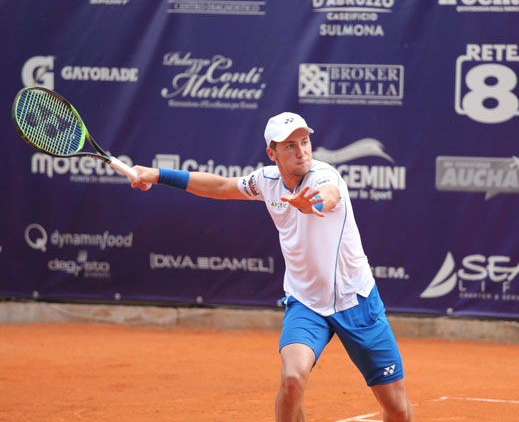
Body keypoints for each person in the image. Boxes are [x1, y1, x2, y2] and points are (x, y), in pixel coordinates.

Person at [130, 112, 413, 422]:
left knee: (397, 409)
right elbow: (222, 186)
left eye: (304, 142)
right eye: (290, 146)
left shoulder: (324, 175)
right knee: (292, 379)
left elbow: (329, 195)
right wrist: (156, 175)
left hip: (356, 301)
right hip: (306, 304)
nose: (301, 151)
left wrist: (313, 204)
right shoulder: (266, 181)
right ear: (272, 153)